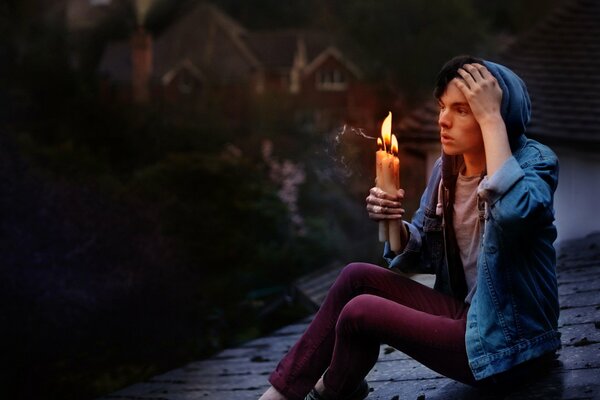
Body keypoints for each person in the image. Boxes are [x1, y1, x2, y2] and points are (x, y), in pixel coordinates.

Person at [259, 55, 560, 400]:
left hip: (513, 345)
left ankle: (330, 390)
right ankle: (283, 393)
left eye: (462, 110)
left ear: (496, 118)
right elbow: (423, 254)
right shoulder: (447, 171)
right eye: (443, 107)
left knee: (361, 312)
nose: (443, 121)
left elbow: (514, 214)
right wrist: (394, 225)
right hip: (471, 317)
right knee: (355, 276)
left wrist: (492, 117)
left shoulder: (536, 163)